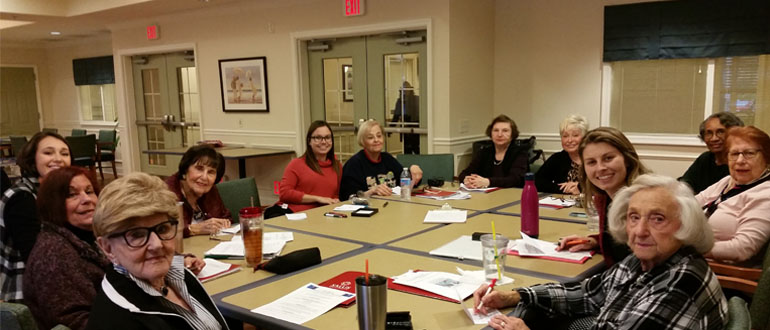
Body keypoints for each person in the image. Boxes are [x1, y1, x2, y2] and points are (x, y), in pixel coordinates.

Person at [473, 174, 727, 330]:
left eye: (657, 219)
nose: (639, 231)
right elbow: (589, 293)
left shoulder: (679, 282)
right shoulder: (646, 259)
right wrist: (514, 295)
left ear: (684, 225)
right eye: (633, 217)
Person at [89, 172, 228, 329]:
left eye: (162, 229)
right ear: (107, 248)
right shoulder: (118, 319)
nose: (156, 245)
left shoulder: (179, 275)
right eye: (137, 235)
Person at [22, 167, 109, 330]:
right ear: (53, 204)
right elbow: (74, 322)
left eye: (89, 191)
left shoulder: (90, 237)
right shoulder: (54, 254)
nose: (86, 199)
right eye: (72, 194)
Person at [557, 127, 650, 266]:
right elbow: (621, 241)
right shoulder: (604, 197)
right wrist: (595, 241)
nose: (600, 168)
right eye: (591, 162)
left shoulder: (646, 201)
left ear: (627, 159)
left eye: (608, 158)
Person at [0, 131, 71, 302]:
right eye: (48, 152)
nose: (58, 158)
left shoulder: (59, 193)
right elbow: (36, 259)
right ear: (32, 159)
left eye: (65, 153)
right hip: (26, 293)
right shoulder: (22, 198)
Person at [695, 126, 770, 266]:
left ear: (766, 158)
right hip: (695, 260)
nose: (740, 160)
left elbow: (742, 249)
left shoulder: (765, 194)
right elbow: (688, 206)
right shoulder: (728, 182)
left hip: (723, 274)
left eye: (749, 153)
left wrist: (690, 249)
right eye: (734, 154)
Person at [340, 119, 422, 200]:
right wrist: (371, 192)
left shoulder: (387, 158)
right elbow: (348, 197)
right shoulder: (354, 164)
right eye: (370, 137)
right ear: (362, 141)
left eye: (379, 136)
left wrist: (413, 171)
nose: (376, 140)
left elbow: (406, 182)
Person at [276, 120, 342, 213]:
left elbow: (335, 195)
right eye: (318, 138)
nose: (323, 142)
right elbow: (285, 193)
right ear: (309, 141)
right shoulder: (296, 164)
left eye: (327, 137)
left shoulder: (337, 166)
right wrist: (317, 198)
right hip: (294, 214)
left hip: (323, 214)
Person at [165, 145, 231, 237]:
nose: (204, 177)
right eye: (199, 169)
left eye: (211, 172)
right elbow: (165, 229)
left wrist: (224, 223)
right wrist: (194, 229)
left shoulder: (210, 189)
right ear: (185, 169)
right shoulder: (167, 192)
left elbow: (225, 216)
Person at [680, 112, 744, 194]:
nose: (714, 138)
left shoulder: (741, 162)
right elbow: (686, 184)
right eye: (709, 133)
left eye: (720, 132)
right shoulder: (706, 158)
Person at [459, 115, 529, 189]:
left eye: (505, 131)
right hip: (486, 195)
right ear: (491, 133)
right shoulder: (484, 152)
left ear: (512, 134)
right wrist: (467, 179)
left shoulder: (520, 153)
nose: (499, 134)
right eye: (496, 130)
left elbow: (514, 180)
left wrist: (488, 182)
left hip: (513, 194)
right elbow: (464, 173)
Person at [535, 115, 588, 194]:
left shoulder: (593, 158)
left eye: (575, 135)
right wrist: (564, 189)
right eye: (565, 136)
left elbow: (602, 184)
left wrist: (580, 187)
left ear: (585, 137)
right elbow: (537, 182)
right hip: (563, 202)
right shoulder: (558, 158)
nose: (569, 140)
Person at [391, 81, 420, 154]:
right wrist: (390, 129)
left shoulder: (416, 99)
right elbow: (396, 116)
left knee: (416, 152)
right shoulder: (400, 101)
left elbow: (396, 116)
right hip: (407, 132)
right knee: (410, 153)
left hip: (415, 131)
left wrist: (391, 128)